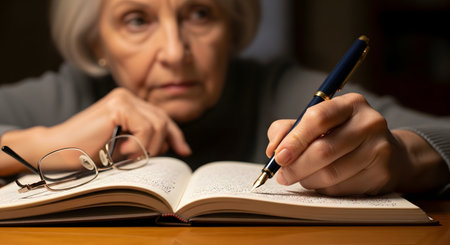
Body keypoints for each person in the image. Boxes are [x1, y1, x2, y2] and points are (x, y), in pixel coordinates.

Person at [0, 0, 449, 196]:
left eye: (199, 14)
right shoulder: (64, 96)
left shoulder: (283, 91)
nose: (175, 54)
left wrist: (402, 159)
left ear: (232, 29)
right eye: (137, 20)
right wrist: (43, 142)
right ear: (97, 42)